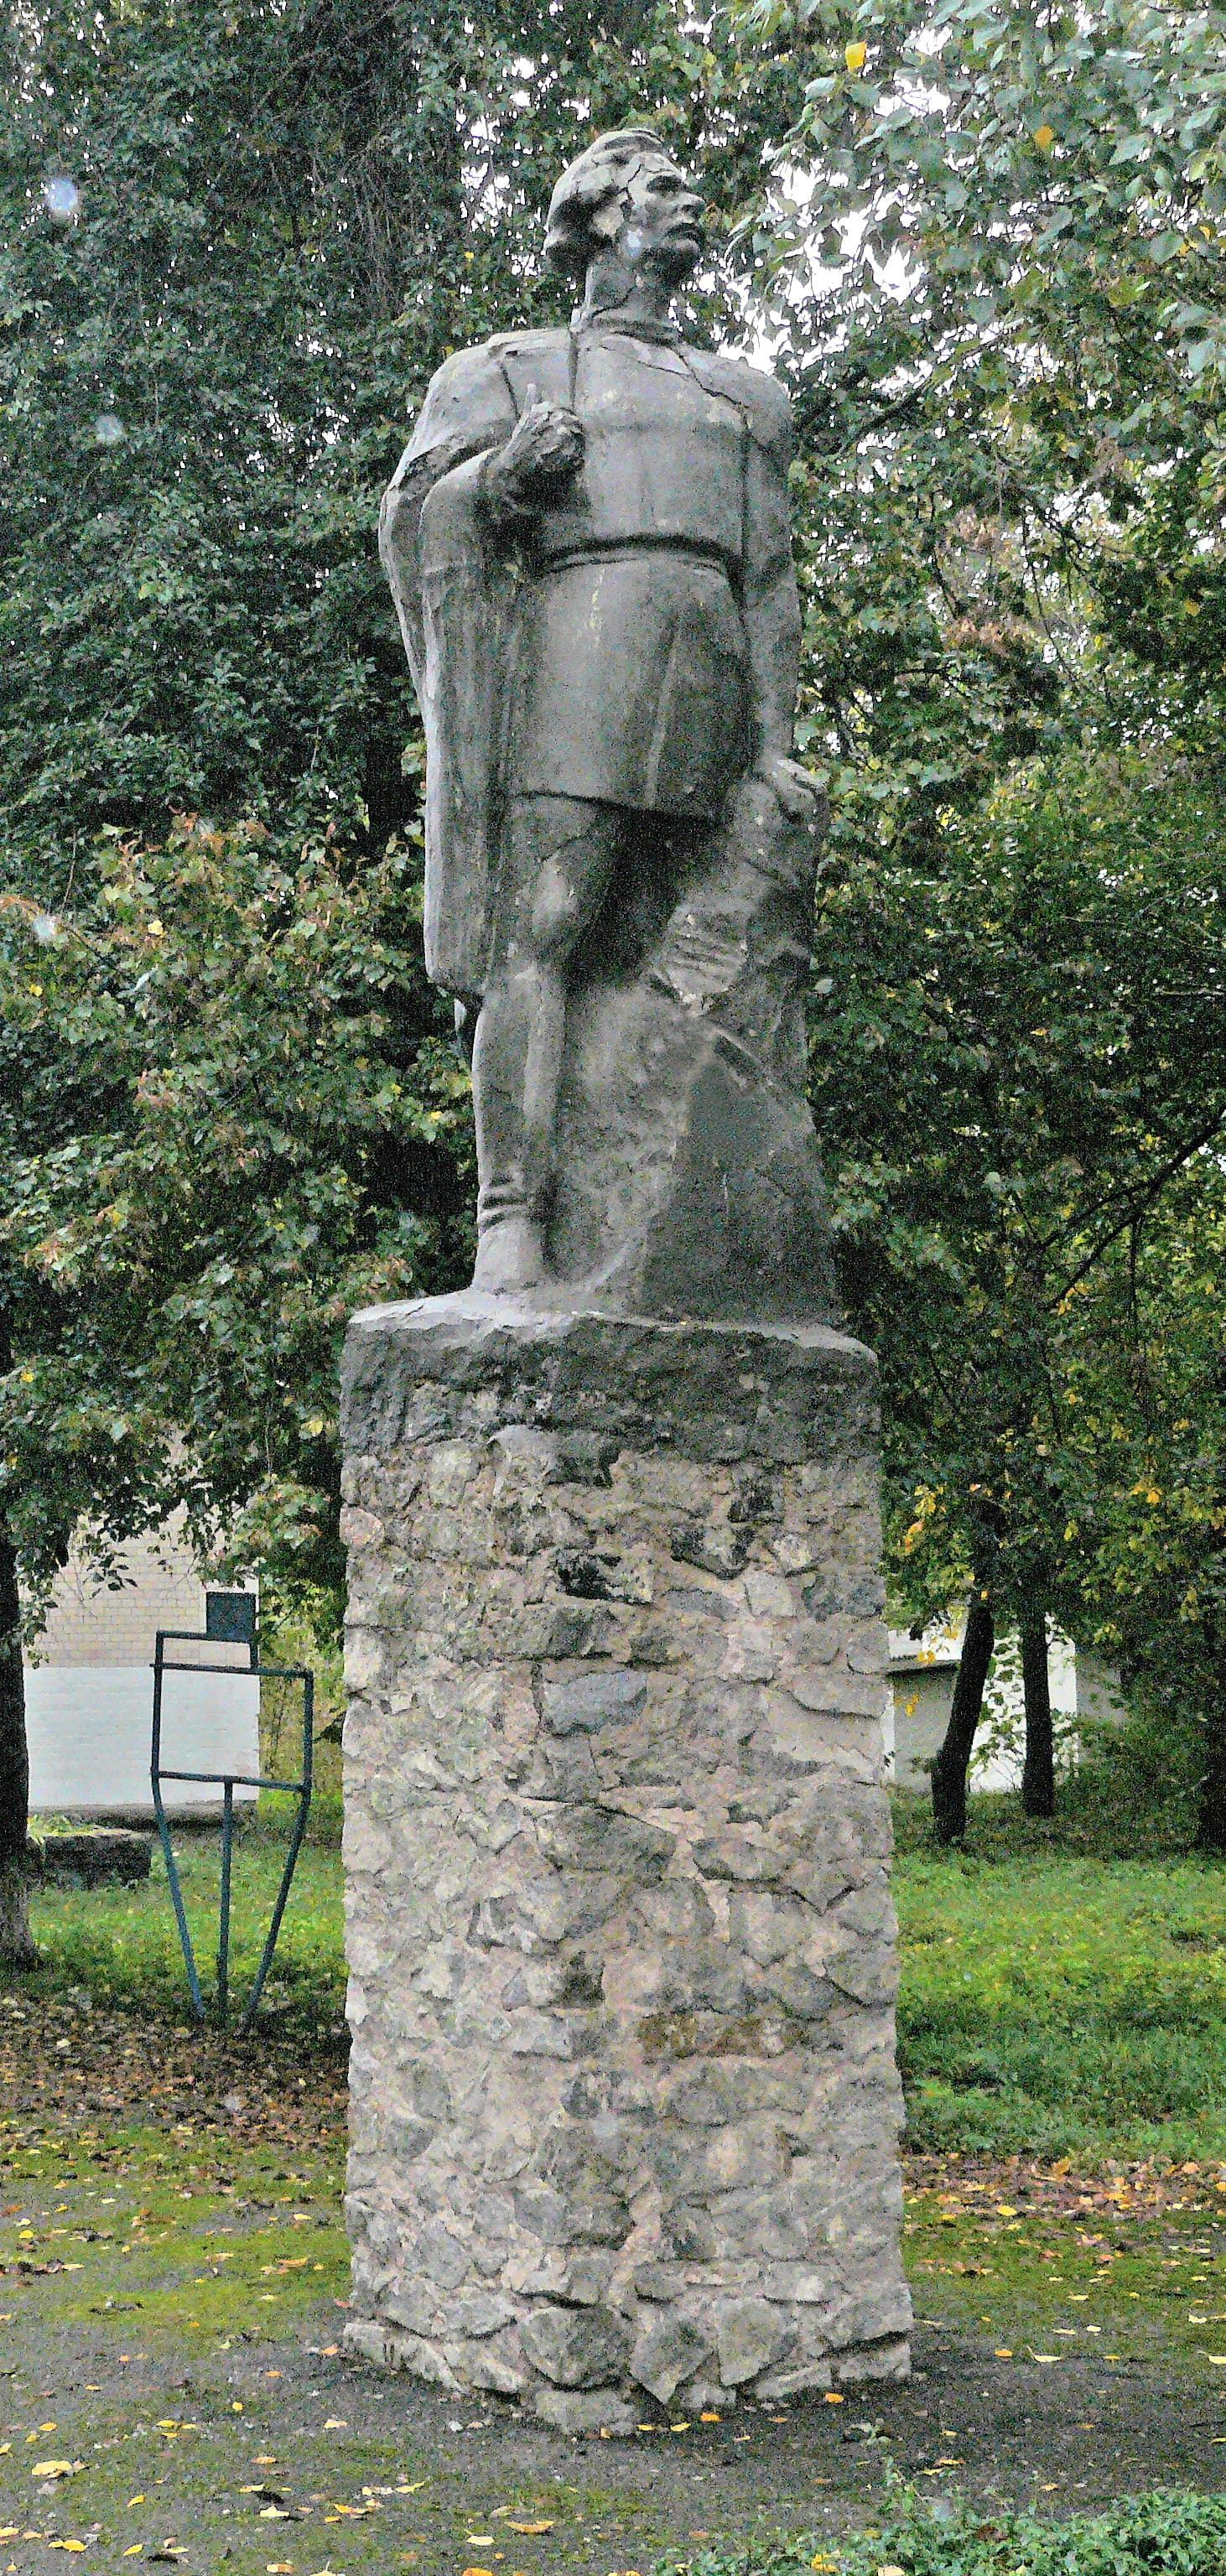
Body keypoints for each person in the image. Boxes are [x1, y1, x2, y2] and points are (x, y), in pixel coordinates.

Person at [380, 128, 818, 1293]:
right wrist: (499, 481)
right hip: (581, 653)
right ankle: (512, 1223)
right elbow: (418, 514)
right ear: (601, 217)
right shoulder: (507, 369)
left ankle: (692, 1237)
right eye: (661, 189)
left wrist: (774, 746)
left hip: (711, 667)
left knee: (704, 955)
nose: (690, 204)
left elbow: (768, 579)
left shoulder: (745, 396)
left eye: (686, 187)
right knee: (546, 929)